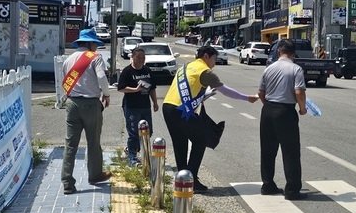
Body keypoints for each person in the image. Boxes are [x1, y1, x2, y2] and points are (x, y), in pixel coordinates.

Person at [162, 45, 258, 193]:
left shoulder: (187, 66)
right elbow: (225, 90)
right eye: (214, 59)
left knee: (179, 142)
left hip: (168, 106)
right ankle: (191, 178)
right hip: (181, 110)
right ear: (206, 56)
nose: (215, 63)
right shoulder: (205, 71)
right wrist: (247, 98)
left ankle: (182, 179)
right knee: (201, 139)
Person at [61, 28, 112, 195]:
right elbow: (102, 78)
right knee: (93, 141)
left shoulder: (68, 60)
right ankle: (95, 175)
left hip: (72, 104)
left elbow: (64, 82)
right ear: (90, 44)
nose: (96, 48)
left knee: (70, 145)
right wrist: (106, 94)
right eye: (95, 44)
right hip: (91, 104)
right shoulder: (95, 58)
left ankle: (67, 182)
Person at [257, 38, 308, 200]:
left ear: (279, 51)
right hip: (285, 111)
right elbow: (299, 92)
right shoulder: (296, 69)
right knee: (290, 151)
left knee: (267, 150)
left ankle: (267, 184)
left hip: (268, 109)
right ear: (293, 54)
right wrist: (302, 108)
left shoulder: (269, 69)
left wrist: (269, 105)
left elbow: (260, 93)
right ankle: (292, 189)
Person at [117, 47, 159, 167]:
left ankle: (132, 149)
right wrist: (135, 90)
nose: (141, 60)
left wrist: (155, 103)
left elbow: (152, 88)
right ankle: (132, 158)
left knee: (147, 132)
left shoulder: (147, 70)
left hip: (145, 106)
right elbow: (121, 88)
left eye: (143, 57)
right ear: (132, 57)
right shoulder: (127, 71)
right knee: (134, 133)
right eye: (138, 57)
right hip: (131, 106)